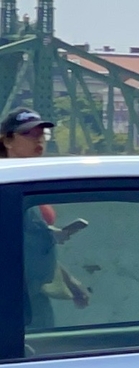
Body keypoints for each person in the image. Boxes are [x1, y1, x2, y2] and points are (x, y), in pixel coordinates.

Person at [4, 109, 88, 319]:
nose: (39, 140)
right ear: (7, 140)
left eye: (43, 135)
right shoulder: (6, 185)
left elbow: (33, 248)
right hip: (13, 295)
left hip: (36, 291)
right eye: (29, 135)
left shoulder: (30, 183)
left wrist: (69, 281)